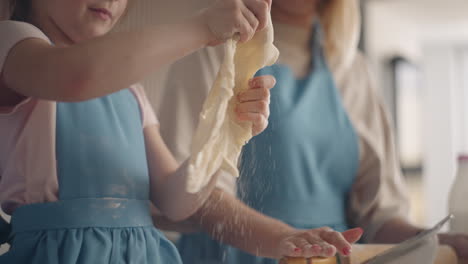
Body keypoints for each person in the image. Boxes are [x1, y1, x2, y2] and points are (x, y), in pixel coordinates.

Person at [138, 0, 468, 263]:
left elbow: (379, 217)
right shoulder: (215, 48)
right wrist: (285, 241)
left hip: (330, 260)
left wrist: (440, 241)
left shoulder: (354, 71)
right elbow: (193, 190)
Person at [0, 0, 297, 263]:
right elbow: (76, 76)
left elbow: (176, 200)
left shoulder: (130, 90)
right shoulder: (12, 40)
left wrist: (225, 131)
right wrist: (202, 26)